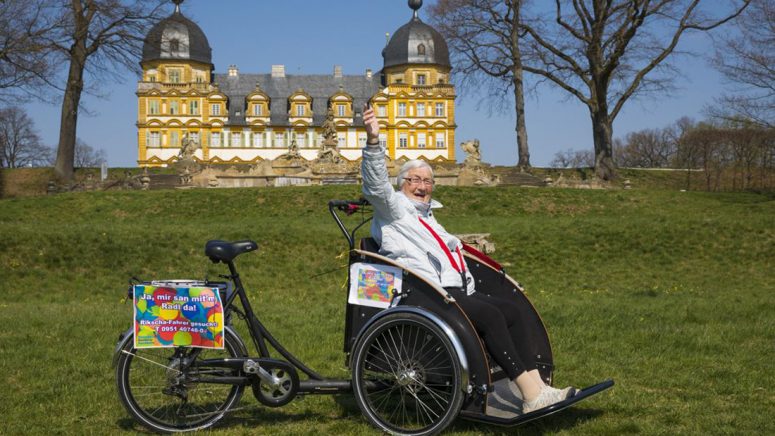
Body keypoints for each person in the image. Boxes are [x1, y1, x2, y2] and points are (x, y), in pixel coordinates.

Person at [360, 104, 575, 413]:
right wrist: (373, 140)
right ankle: (530, 395)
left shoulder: (430, 217)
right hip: (425, 294)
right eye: (415, 180)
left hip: (453, 290)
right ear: (402, 184)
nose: (422, 186)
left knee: (511, 309)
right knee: (490, 316)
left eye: (428, 181)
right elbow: (375, 184)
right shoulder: (393, 209)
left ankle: (540, 388)